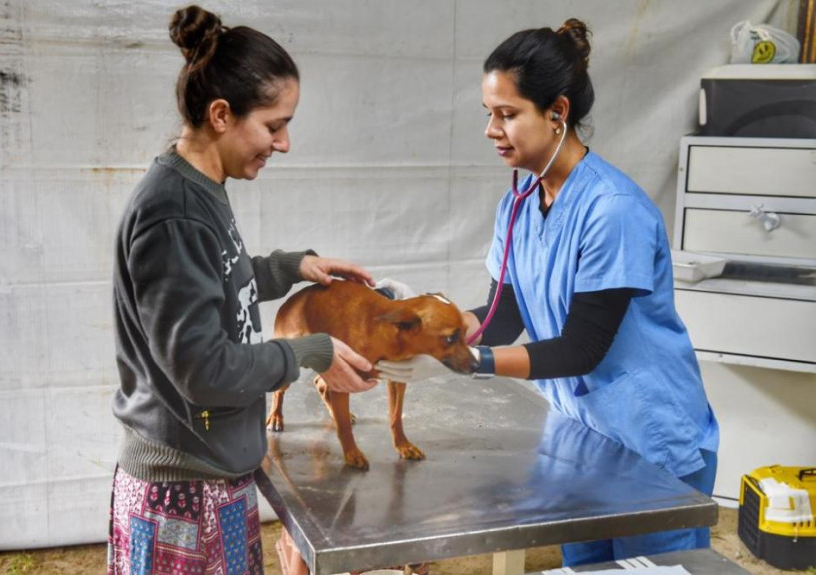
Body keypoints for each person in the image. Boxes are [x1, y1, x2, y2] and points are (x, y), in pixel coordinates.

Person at [375, 18, 719, 567]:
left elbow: (582, 348)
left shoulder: (613, 210)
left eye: (507, 114)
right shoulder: (517, 206)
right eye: (488, 114)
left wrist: (464, 361)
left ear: (557, 112)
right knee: (585, 566)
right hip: (581, 440)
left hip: (650, 440)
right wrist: (424, 325)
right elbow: (503, 312)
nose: (491, 129)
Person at [107, 6, 378, 574]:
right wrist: (312, 351)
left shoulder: (203, 189)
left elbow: (214, 279)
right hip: (181, 494)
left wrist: (292, 267)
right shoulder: (173, 213)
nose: (283, 144)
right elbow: (204, 371)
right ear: (222, 114)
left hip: (214, 476)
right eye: (274, 125)